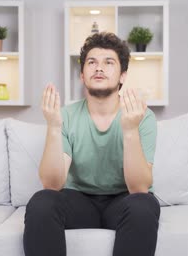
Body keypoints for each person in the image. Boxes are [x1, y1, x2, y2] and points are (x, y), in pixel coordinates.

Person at [23, 32, 160, 256]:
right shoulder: (66, 116)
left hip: (124, 200)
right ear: (82, 75)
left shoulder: (143, 117)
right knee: (41, 202)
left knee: (143, 205)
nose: (99, 68)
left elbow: (139, 188)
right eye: (92, 62)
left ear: (123, 76)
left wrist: (130, 129)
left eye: (108, 62)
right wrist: (54, 127)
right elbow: (52, 183)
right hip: (79, 202)